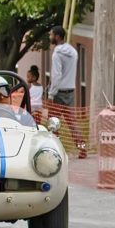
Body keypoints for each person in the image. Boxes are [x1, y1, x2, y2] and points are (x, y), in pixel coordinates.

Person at [47, 25, 86, 158]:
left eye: (51, 35)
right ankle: (82, 148)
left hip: (58, 92)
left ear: (57, 36)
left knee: (53, 122)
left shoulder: (57, 53)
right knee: (72, 122)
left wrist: (51, 94)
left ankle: (54, 150)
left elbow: (56, 75)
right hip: (70, 91)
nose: (50, 37)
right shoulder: (73, 51)